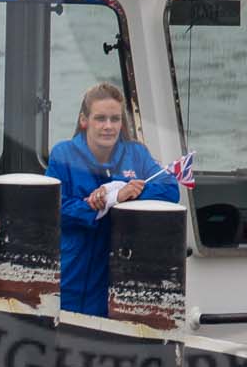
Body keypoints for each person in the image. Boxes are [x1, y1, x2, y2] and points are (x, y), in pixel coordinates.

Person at [47, 84, 180, 317]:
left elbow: (169, 190)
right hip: (71, 272)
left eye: (115, 119)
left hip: (118, 277)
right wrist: (98, 204)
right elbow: (53, 209)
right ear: (84, 120)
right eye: (100, 118)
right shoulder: (63, 154)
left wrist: (121, 190)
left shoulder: (136, 154)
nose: (108, 126)